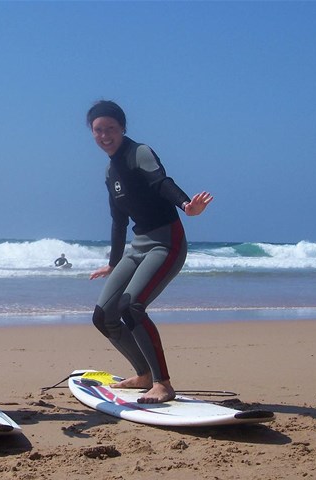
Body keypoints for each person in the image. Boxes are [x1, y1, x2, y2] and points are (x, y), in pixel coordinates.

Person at [86, 100, 213, 404]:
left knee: (132, 307)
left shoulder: (139, 152)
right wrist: (113, 263)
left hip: (166, 242)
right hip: (139, 244)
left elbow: (161, 182)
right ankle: (143, 374)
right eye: (98, 130)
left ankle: (163, 383)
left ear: (123, 128)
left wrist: (186, 205)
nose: (105, 135)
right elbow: (118, 220)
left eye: (111, 129)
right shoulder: (109, 170)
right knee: (104, 316)